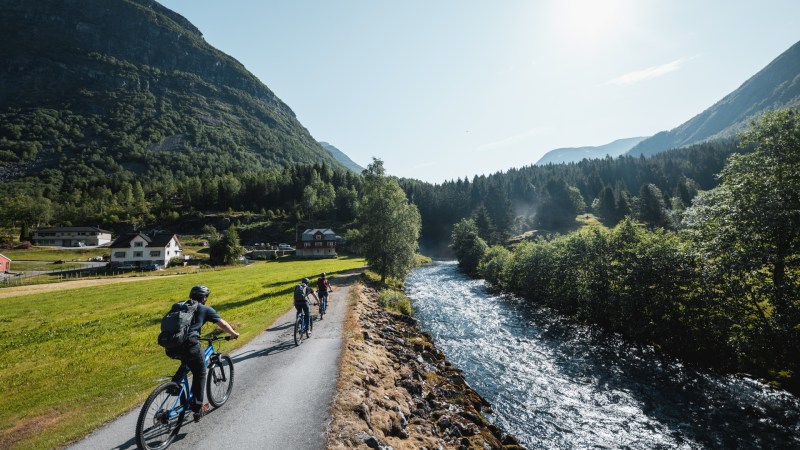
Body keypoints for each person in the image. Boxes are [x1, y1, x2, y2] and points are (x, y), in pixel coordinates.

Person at [168, 285, 239, 422]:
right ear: (204, 298)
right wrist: (234, 333)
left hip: (171, 346)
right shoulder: (205, 309)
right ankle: (197, 408)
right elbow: (222, 324)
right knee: (200, 372)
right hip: (190, 344)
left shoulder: (180, 306)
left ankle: (174, 386)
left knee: (187, 361)